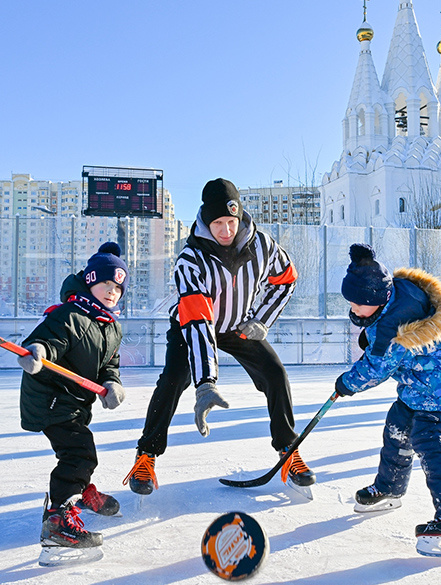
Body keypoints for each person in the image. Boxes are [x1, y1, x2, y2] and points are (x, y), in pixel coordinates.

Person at [124, 178, 313, 495]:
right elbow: (199, 322)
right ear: (205, 221)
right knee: (172, 380)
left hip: (239, 325)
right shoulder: (190, 260)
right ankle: (146, 456)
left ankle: (288, 450)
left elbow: (286, 279)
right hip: (191, 326)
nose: (226, 230)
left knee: (275, 374)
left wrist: (262, 319)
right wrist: (206, 384)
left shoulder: (264, 245)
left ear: (239, 216)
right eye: (217, 223)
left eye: (231, 221)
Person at [334, 244, 441, 557]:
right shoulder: (395, 293)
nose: (353, 310)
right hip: (419, 385)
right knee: (397, 428)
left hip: (439, 390)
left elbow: (376, 369)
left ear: (376, 300)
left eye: (358, 304)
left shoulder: (394, 328)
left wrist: (346, 383)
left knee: (430, 443)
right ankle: (389, 488)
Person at [17, 242, 129, 552]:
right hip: (51, 398)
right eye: (106, 284)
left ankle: (81, 492)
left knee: (79, 449)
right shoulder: (71, 314)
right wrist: (38, 352)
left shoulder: (110, 326)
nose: (112, 292)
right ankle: (58, 520)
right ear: (90, 282)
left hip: (76, 403)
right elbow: (47, 340)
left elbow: (110, 364)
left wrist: (112, 383)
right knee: (79, 453)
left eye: (118, 288)